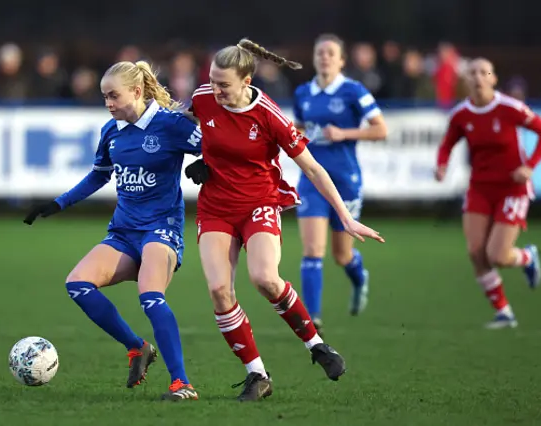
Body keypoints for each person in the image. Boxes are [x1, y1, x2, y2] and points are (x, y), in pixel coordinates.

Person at [184, 39, 384, 402]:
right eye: (212, 81)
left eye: (224, 84)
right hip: (215, 206)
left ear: (247, 82)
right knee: (218, 290)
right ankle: (257, 375)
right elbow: (189, 123)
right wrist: (196, 151)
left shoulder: (270, 115)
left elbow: (313, 168)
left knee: (265, 279)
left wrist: (346, 218)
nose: (216, 90)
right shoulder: (203, 97)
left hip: (259, 202)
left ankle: (318, 346)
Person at [23, 61, 203, 400]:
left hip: (161, 231)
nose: (108, 103)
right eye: (104, 96)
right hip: (123, 232)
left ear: (136, 92)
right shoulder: (112, 131)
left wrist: (206, 161)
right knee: (77, 284)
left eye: (113, 96)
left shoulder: (171, 124)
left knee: (150, 297)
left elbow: (216, 148)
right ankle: (137, 347)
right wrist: (58, 204)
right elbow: (99, 175)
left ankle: (182, 383)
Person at [435, 58, 541, 329]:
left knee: (497, 255)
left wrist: (530, 166)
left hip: (512, 188)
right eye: (472, 73)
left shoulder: (509, 108)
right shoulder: (461, 114)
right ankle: (504, 312)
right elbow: (447, 143)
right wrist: (441, 165)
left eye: (483, 72)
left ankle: (526, 257)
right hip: (480, 187)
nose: (477, 77)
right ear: (466, 80)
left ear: (493, 79)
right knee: (476, 252)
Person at [292, 34, 388, 334]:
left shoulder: (353, 90)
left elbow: (381, 129)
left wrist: (344, 134)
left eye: (331, 53)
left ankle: (360, 279)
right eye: (320, 52)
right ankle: (312, 319)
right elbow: (298, 127)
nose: (324, 57)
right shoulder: (302, 92)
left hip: (345, 180)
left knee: (342, 254)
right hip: (311, 181)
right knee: (312, 250)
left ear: (341, 60)